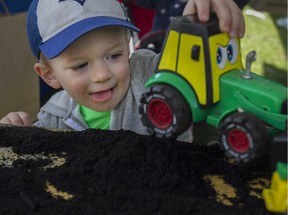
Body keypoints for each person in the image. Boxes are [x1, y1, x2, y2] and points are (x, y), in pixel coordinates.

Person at [0, 0, 245, 142]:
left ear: (127, 45)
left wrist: (194, 22)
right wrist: (22, 135)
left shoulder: (149, 75)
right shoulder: (53, 117)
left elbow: (186, 68)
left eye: (114, 55)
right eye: (80, 65)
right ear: (49, 75)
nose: (101, 75)